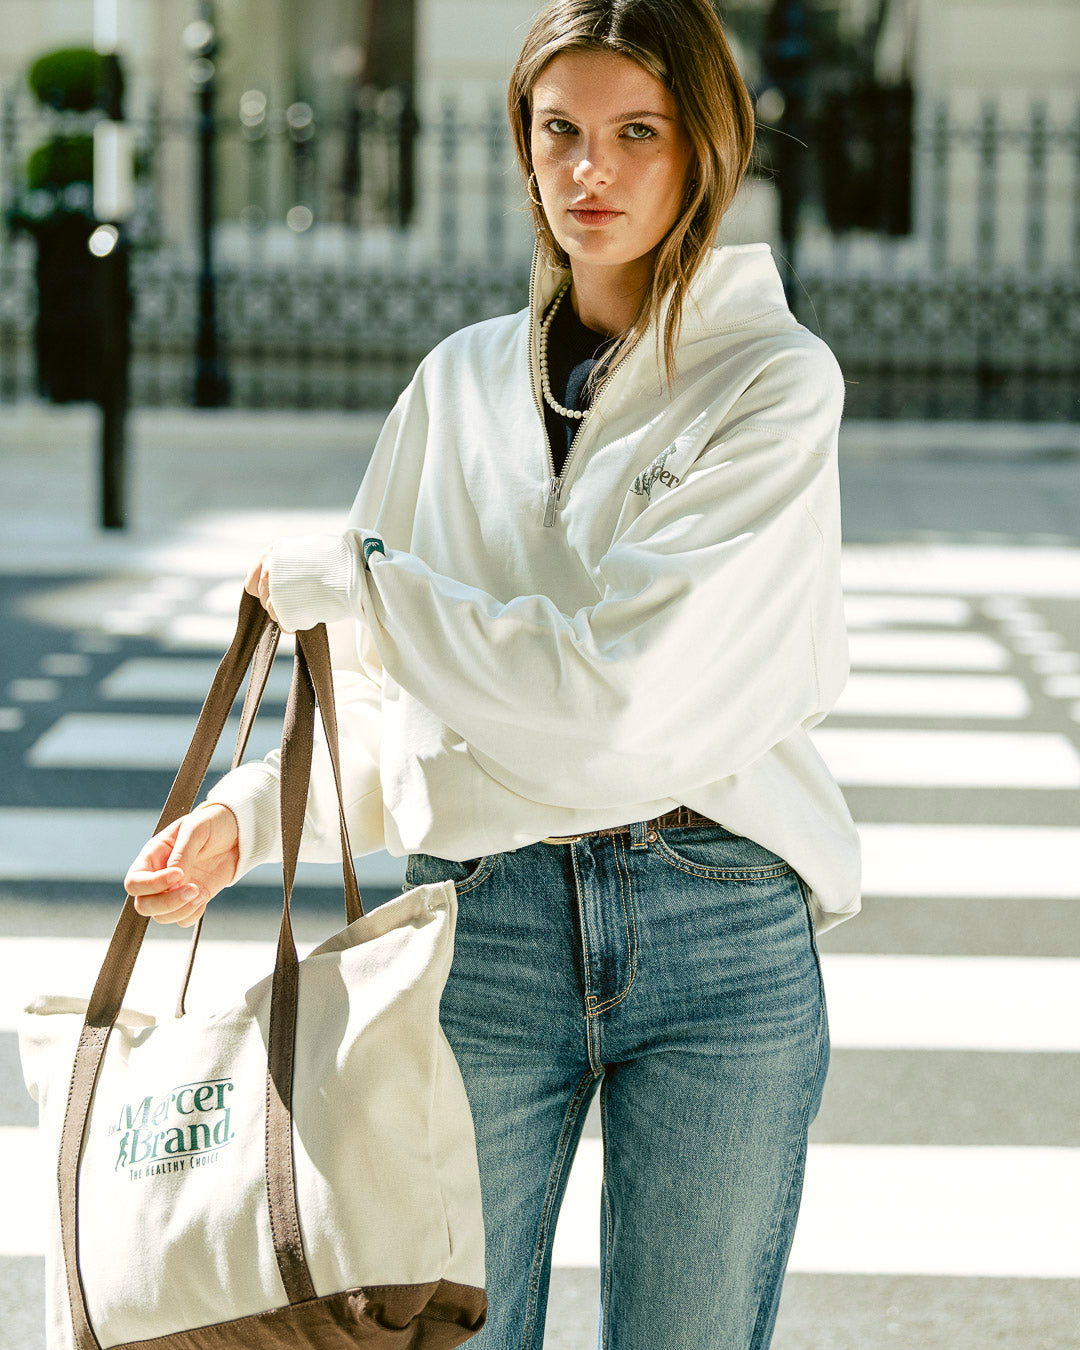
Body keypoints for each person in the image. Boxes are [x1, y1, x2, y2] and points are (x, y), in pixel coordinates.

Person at [124, 1, 862, 1345]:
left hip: (722, 922)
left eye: (638, 133)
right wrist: (252, 811)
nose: (593, 171)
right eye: (560, 131)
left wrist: (367, 582)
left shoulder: (772, 385)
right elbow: (385, 689)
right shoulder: (456, 385)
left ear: (706, 148)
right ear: (522, 148)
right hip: (484, 927)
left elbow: (617, 698)